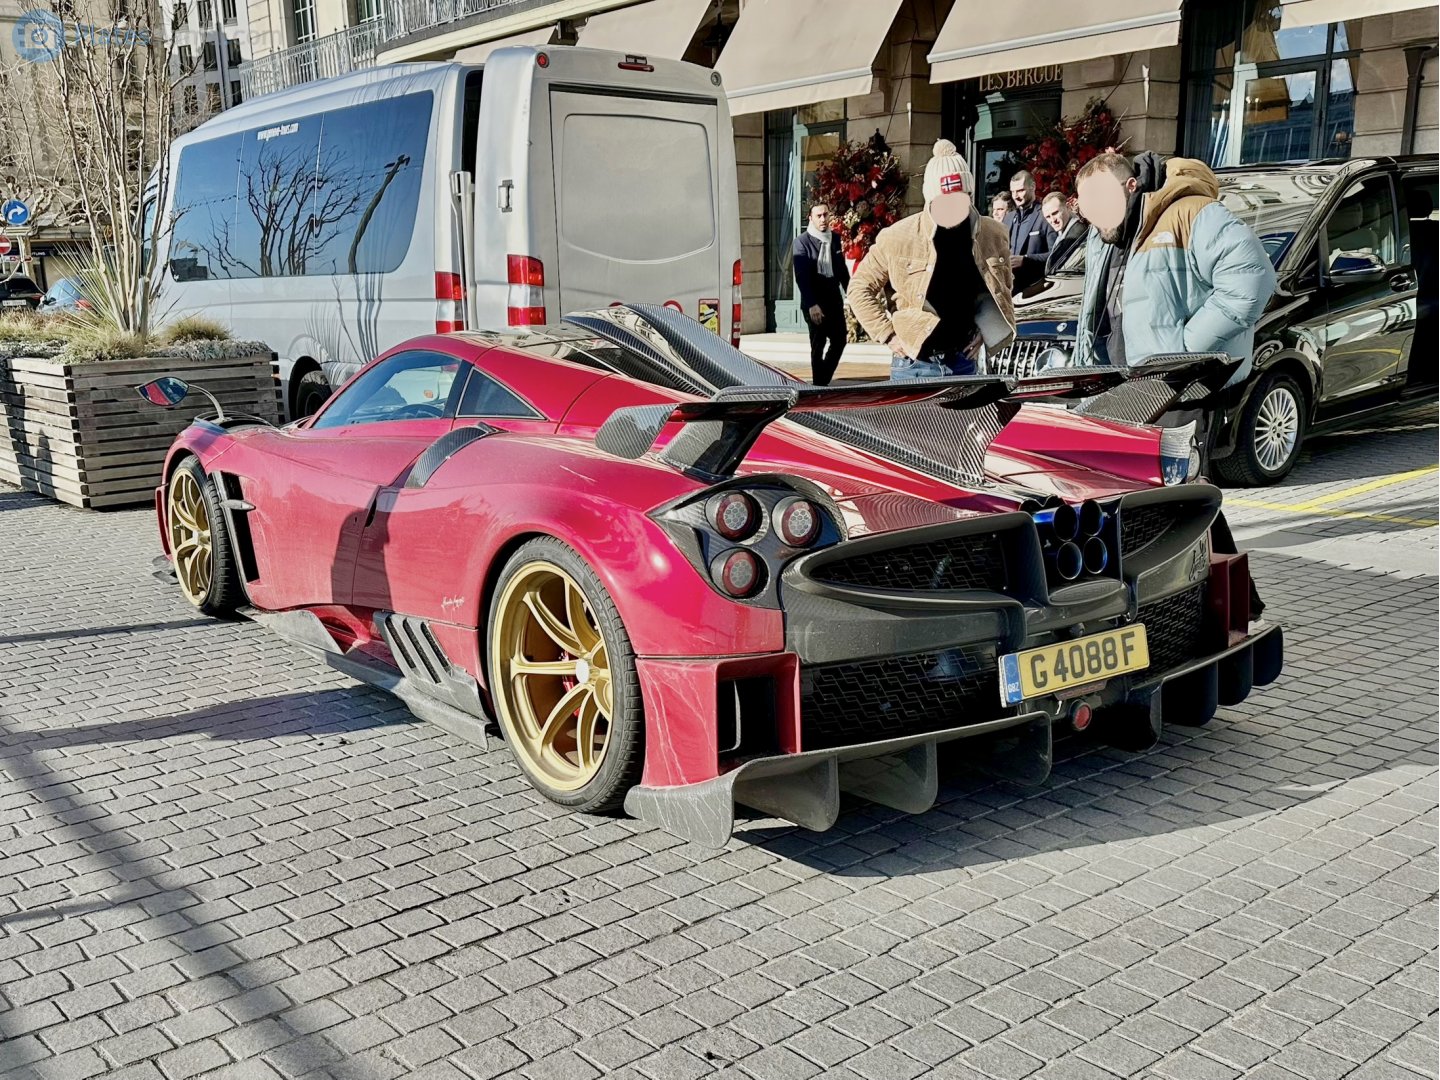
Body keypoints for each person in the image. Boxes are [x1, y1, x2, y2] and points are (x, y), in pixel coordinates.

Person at [1073, 150, 1277, 617]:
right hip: (1130, 384)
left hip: (1182, 385)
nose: (1093, 218)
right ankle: (1227, 604)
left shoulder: (1190, 212)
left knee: (1181, 494)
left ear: (1129, 188)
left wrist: (1186, 348)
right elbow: (1100, 305)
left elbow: (1253, 279)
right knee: (1164, 492)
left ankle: (1224, 608)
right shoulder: (1108, 234)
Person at [848, 140, 1015, 379]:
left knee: (968, 418)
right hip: (914, 363)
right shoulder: (898, 237)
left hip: (963, 359)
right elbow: (859, 288)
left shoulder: (992, 233)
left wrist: (986, 329)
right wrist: (888, 335)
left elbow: (1001, 286)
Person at [791, 203, 851, 385]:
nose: (823, 219)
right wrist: (811, 304)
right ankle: (819, 385)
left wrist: (853, 295)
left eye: (826, 214)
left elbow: (842, 272)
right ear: (810, 218)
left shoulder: (835, 239)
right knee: (818, 344)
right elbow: (802, 277)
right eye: (819, 216)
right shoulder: (802, 242)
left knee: (840, 340)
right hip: (814, 301)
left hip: (833, 298)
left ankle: (822, 381)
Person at [1007, 169, 1052, 290]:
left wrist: (1026, 260)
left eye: (1020, 190)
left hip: (1036, 289)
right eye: (1013, 192)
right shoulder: (1008, 218)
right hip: (1009, 289)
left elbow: (1056, 255)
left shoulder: (1045, 215)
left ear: (1033, 187)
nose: (1015, 196)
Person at [1041, 191, 1086, 274]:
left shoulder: (1076, 233)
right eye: (1048, 217)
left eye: (1055, 213)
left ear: (1068, 207)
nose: (1052, 220)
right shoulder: (1064, 232)